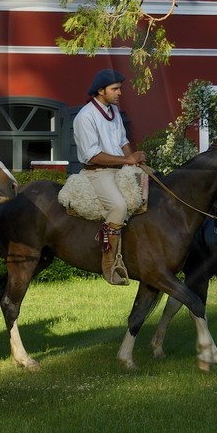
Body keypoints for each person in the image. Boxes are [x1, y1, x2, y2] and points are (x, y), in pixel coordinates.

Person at [70, 68, 147, 285]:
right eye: (115, 89)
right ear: (100, 90)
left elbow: (123, 141)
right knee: (119, 207)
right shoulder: (85, 116)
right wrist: (127, 161)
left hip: (120, 168)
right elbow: (92, 156)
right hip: (97, 173)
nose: (119, 93)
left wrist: (133, 159)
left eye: (119, 88)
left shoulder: (113, 111)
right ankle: (108, 265)